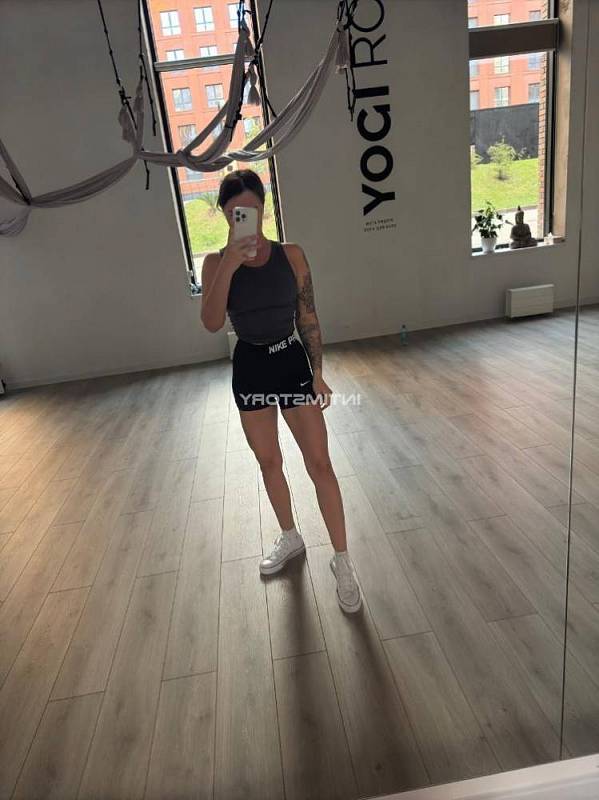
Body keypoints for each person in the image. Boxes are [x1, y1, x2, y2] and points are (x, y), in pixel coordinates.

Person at [200, 168, 361, 613]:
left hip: (290, 360)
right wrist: (230, 264)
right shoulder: (215, 264)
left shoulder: (291, 255)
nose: (244, 220)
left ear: (263, 209)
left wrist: (318, 373)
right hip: (250, 365)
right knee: (268, 460)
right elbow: (211, 323)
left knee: (320, 463)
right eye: (235, 214)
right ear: (225, 216)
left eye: (250, 211)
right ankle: (291, 536)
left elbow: (308, 316)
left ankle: (343, 559)